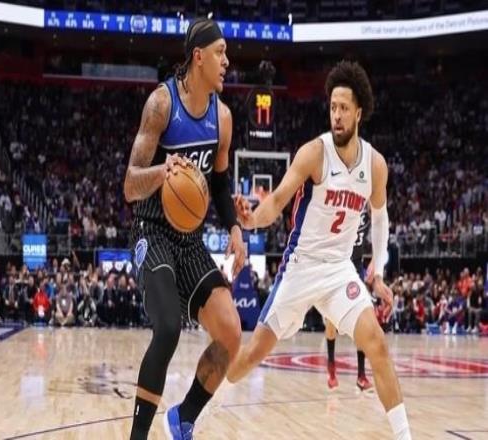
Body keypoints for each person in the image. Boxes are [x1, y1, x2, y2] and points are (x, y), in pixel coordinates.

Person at [229, 60, 411, 439]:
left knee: (377, 344)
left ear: (358, 113)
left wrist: (377, 272)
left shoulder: (375, 165)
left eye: (344, 108)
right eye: (332, 107)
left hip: (339, 269)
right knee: (252, 354)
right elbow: (276, 201)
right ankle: (199, 408)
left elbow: (380, 219)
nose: (337, 115)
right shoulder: (314, 153)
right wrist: (250, 220)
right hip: (301, 266)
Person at [123, 18, 246, 440]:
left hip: (190, 240)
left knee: (231, 333)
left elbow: (220, 183)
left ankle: (184, 417)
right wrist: (163, 172)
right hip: (152, 230)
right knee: (168, 328)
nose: (227, 62)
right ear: (198, 57)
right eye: (220, 53)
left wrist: (234, 228)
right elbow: (129, 185)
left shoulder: (223, 118)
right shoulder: (162, 104)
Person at [325, 207, 373, 391]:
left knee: (361, 320)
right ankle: (331, 366)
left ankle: (361, 375)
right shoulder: (341, 206)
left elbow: (380, 229)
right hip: (336, 264)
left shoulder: (367, 212)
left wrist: (376, 260)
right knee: (331, 320)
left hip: (356, 266)